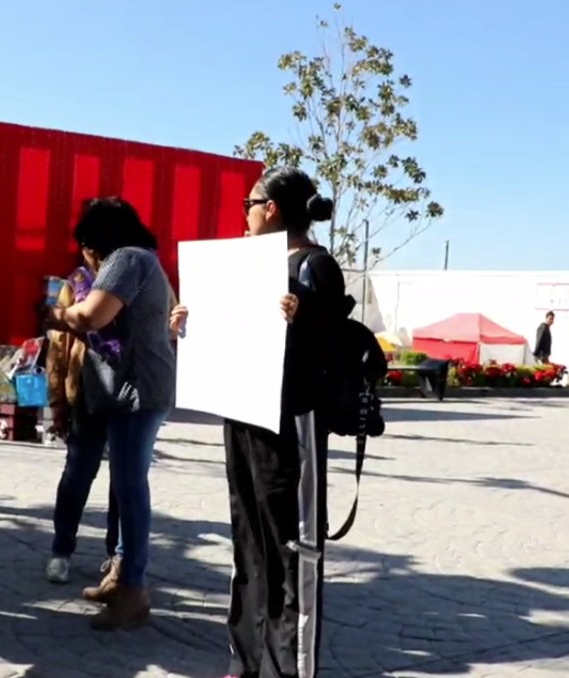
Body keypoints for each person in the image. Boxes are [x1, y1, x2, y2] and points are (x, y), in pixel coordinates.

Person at [222, 167, 352, 678]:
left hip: (288, 425)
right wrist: (187, 323)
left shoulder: (316, 265)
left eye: (249, 204)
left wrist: (303, 314)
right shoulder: (243, 265)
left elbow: (333, 347)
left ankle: (287, 667)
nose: (245, 214)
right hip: (243, 414)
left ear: (270, 208)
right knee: (248, 538)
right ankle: (246, 658)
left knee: (291, 547)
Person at [44, 197, 182, 630]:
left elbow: (91, 316)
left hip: (136, 391)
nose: (87, 256)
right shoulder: (145, 259)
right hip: (137, 388)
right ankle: (121, 575)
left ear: (98, 239)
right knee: (126, 487)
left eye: (87, 246)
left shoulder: (126, 259)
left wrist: (54, 314)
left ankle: (134, 590)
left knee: (130, 489)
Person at [44, 259, 122, 583]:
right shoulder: (76, 282)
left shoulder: (137, 276)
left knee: (125, 482)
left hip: (128, 394)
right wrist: (57, 400)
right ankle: (61, 550)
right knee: (77, 475)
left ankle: (117, 556)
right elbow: (58, 347)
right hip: (86, 393)